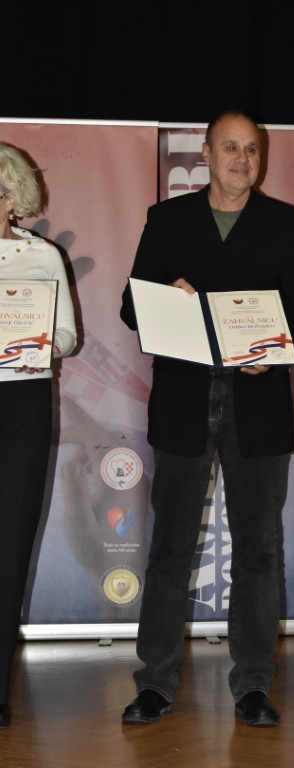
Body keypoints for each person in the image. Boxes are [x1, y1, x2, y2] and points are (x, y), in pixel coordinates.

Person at [120, 109, 294, 727]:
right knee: (169, 550)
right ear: (205, 153)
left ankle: (253, 684)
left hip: (258, 407)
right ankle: (154, 683)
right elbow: (131, 308)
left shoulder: (289, 226)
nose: (241, 159)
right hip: (183, 402)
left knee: (258, 550)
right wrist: (167, 299)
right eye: (230, 147)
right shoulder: (167, 220)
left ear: (262, 157)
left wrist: (272, 353)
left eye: (251, 149)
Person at [0, 142, 77, 729]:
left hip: (23, 402)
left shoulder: (44, 256)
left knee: (10, 542)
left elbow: (68, 337)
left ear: (13, 198)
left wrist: (40, 338)